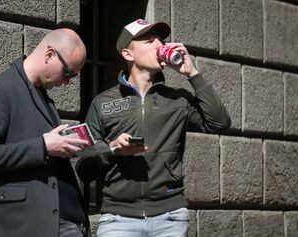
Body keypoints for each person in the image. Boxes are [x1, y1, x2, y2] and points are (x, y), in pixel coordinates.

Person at [75, 19, 231, 237]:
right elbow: (83, 166)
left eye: (161, 41)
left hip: (170, 217)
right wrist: (111, 150)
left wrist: (192, 73)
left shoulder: (178, 99)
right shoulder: (102, 102)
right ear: (128, 54)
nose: (159, 45)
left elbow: (219, 123)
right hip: (117, 219)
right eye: (149, 41)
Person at [0, 28, 91, 237]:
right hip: (29, 223)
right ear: (49, 55)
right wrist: (43, 146)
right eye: (68, 72)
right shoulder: (1, 89)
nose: (68, 81)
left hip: (67, 220)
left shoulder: (44, 98)